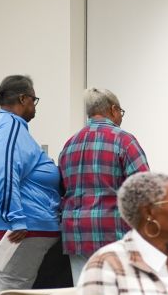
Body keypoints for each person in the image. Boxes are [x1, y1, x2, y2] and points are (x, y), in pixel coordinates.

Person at [0, 75, 61, 295]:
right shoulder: (9, 126)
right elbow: (4, 171)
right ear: (23, 98)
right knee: (13, 294)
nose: (34, 107)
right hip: (20, 224)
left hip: (2, 221)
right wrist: (16, 219)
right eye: (34, 100)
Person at [58, 88, 149, 283]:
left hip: (76, 233)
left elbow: (62, 187)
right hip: (112, 232)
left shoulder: (69, 144)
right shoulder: (124, 140)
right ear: (114, 110)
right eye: (121, 113)